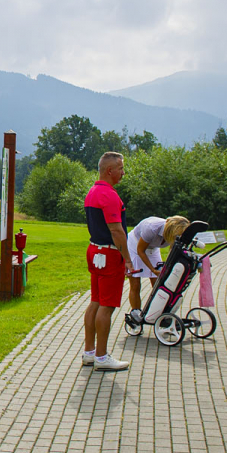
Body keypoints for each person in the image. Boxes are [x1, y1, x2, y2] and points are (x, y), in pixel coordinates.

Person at [82, 152, 133, 371]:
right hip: (110, 255)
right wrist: (128, 259)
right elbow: (117, 230)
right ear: (109, 170)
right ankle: (102, 357)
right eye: (121, 168)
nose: (123, 172)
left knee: (95, 301)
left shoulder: (92, 192)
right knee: (107, 306)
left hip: (94, 250)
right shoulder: (110, 195)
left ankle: (90, 352)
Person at [125, 215, 191, 323]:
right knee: (135, 282)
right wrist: (152, 269)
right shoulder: (151, 228)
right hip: (135, 245)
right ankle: (135, 313)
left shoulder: (175, 234)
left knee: (159, 283)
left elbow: (172, 251)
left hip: (153, 248)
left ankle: (157, 313)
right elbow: (140, 251)